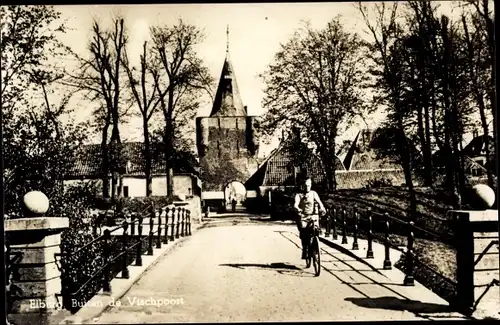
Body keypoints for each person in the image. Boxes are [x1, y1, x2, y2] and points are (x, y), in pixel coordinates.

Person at [294, 177, 326, 260]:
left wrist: (322, 208)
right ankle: (305, 249)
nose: (307, 187)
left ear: (311, 185)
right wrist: (297, 208)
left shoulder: (313, 193)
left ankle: (316, 248)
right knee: (304, 232)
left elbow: (320, 202)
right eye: (305, 185)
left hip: (313, 215)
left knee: (316, 230)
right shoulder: (299, 195)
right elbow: (295, 204)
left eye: (309, 185)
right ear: (302, 186)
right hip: (303, 216)